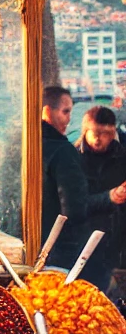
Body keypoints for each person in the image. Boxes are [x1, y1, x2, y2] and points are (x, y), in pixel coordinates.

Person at [74, 105, 126, 290]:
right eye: (94, 132)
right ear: (85, 130)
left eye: (104, 133)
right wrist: (109, 197)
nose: (98, 139)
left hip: (116, 243)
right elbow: (74, 205)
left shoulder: (122, 156)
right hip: (83, 242)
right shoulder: (73, 158)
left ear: (112, 134)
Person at [41, 85, 90, 271]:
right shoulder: (63, 151)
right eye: (65, 111)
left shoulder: (26, 144)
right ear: (47, 111)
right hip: (57, 252)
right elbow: (74, 209)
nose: (69, 119)